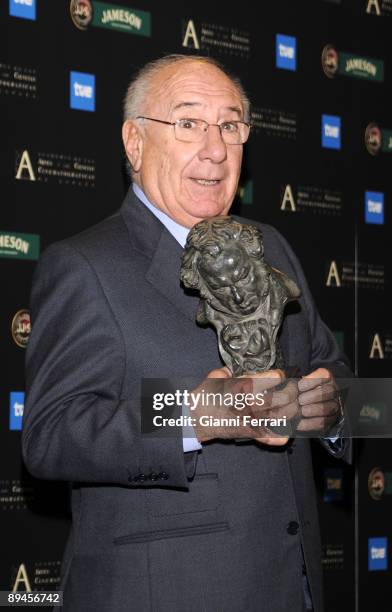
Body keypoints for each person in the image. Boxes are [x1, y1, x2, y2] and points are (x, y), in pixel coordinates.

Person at [22, 54, 351, 612]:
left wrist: (329, 408)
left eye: (230, 125)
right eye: (189, 122)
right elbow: (51, 435)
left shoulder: (274, 247)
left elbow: (338, 377)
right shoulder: (84, 265)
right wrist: (195, 414)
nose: (216, 148)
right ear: (134, 142)